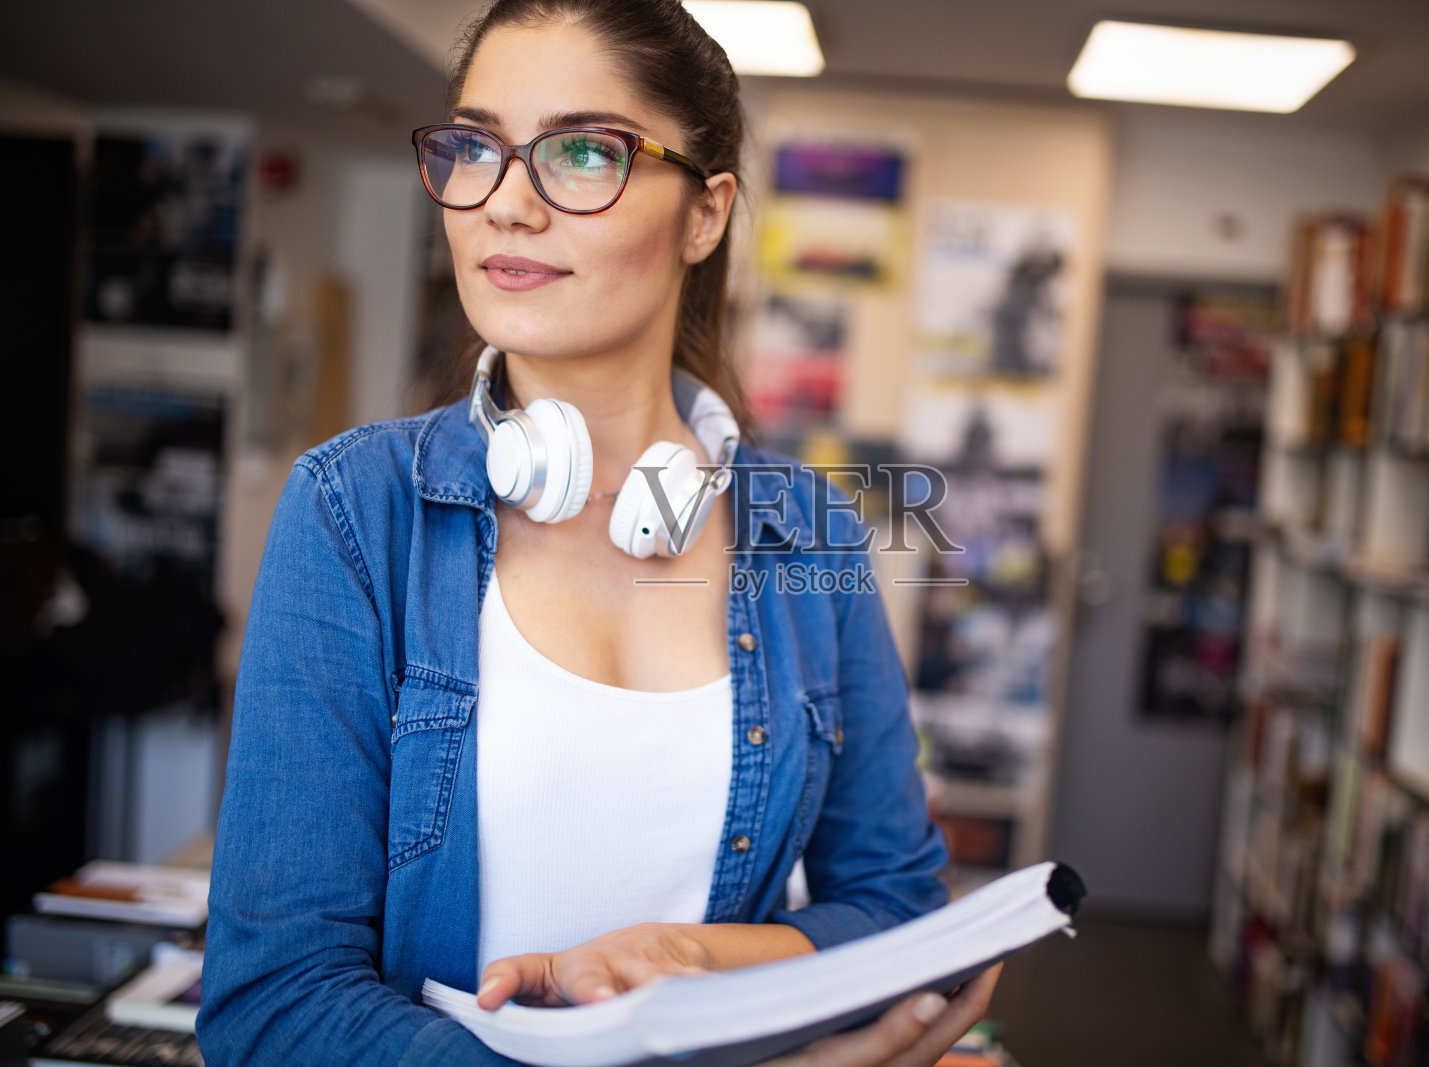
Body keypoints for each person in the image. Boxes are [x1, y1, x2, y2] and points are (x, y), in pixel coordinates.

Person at [195, 1, 1001, 1064]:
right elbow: (272, 1005)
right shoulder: (355, 509)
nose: (506, 205)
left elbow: (898, 906)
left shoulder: (806, 532)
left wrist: (708, 956)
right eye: (475, 146)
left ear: (705, 214)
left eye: (581, 152)